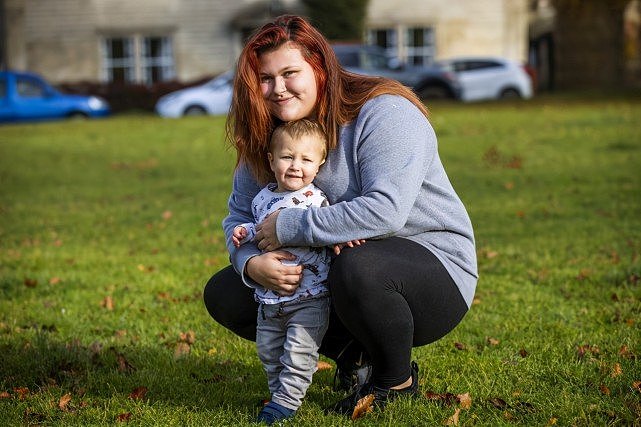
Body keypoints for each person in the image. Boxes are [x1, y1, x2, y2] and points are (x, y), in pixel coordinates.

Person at [203, 14, 478, 419]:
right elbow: (238, 218)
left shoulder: (385, 112)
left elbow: (386, 210)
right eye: (265, 78)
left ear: (319, 66)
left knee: (357, 266)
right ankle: (355, 354)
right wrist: (250, 262)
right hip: (331, 271)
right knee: (225, 293)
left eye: (290, 73)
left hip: (430, 270)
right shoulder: (270, 136)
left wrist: (287, 226)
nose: (278, 90)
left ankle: (394, 381)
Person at [232, 119, 333, 424]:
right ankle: (278, 396)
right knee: (269, 351)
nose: (295, 166)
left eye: (306, 159)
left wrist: (342, 239)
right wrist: (244, 233)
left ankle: (286, 402)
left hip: (309, 297)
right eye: (287, 157)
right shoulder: (263, 197)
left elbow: (328, 229)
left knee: (299, 353)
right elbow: (257, 225)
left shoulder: (316, 200)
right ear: (271, 160)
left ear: (320, 164)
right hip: (269, 299)